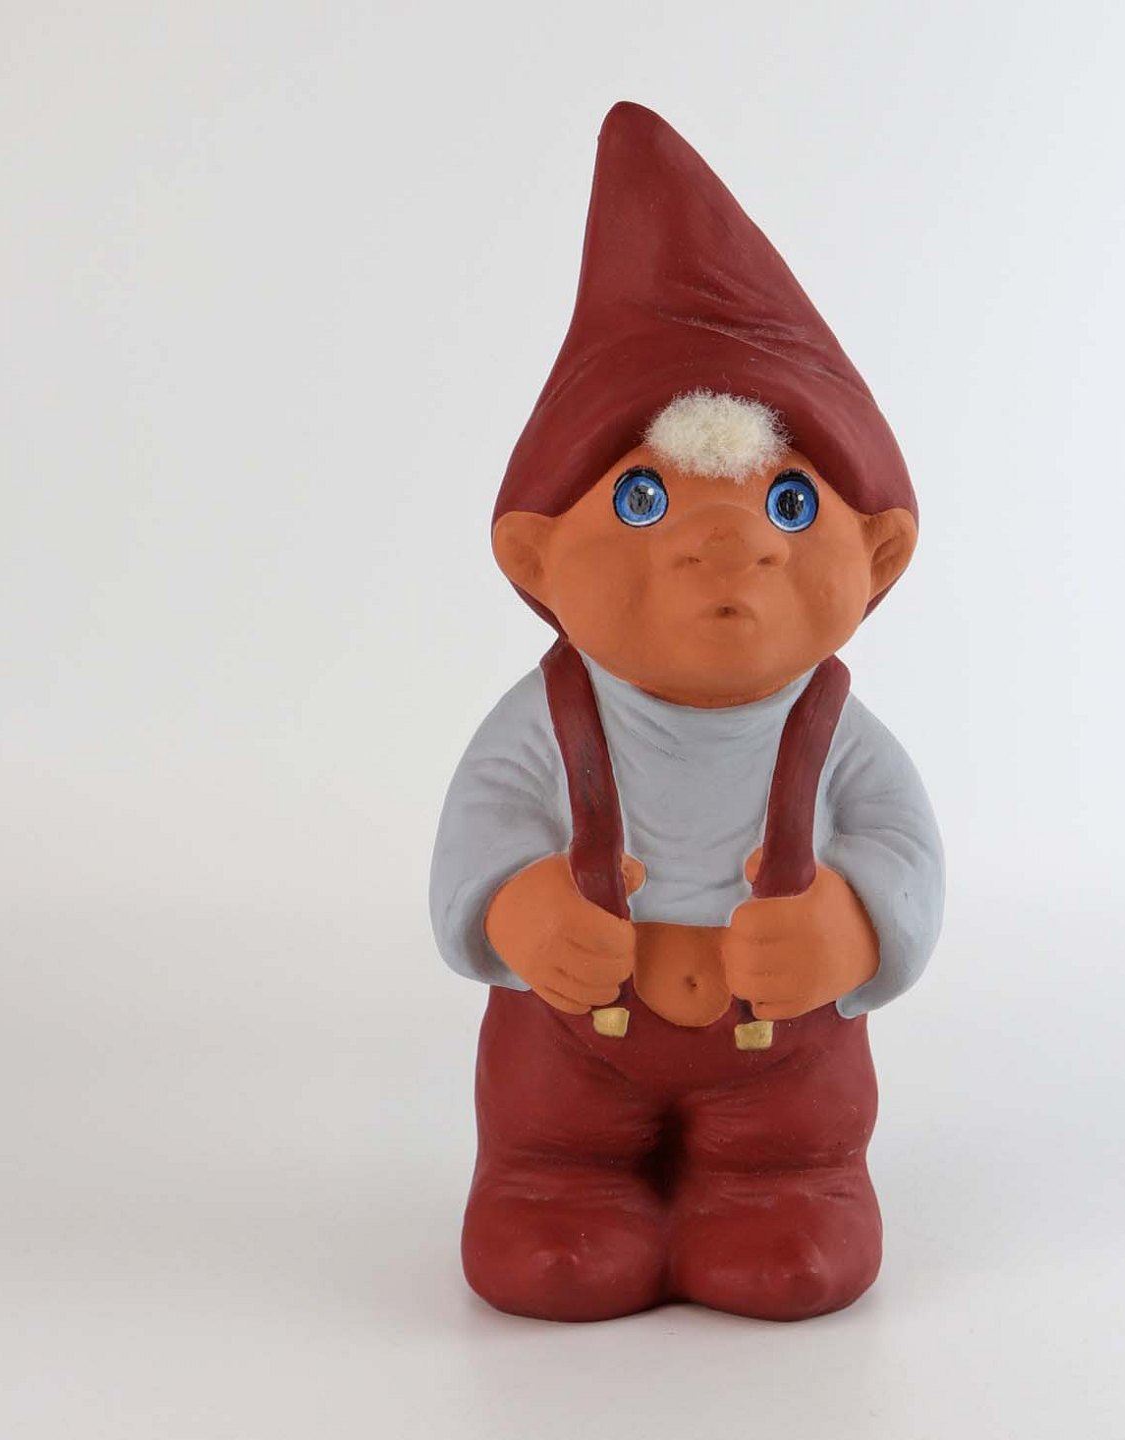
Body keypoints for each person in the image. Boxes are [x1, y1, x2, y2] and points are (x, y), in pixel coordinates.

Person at [430, 102, 944, 1322]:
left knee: (788, 1198)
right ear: (534, 554)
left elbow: (904, 847)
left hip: (784, 1064)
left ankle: (789, 1186)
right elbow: (479, 832)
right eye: (647, 498)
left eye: (787, 504)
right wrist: (520, 905)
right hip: (570, 1054)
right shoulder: (538, 723)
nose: (729, 544)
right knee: (551, 1181)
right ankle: (552, 1187)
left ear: (878, 554)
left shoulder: (840, 738)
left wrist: (853, 926)